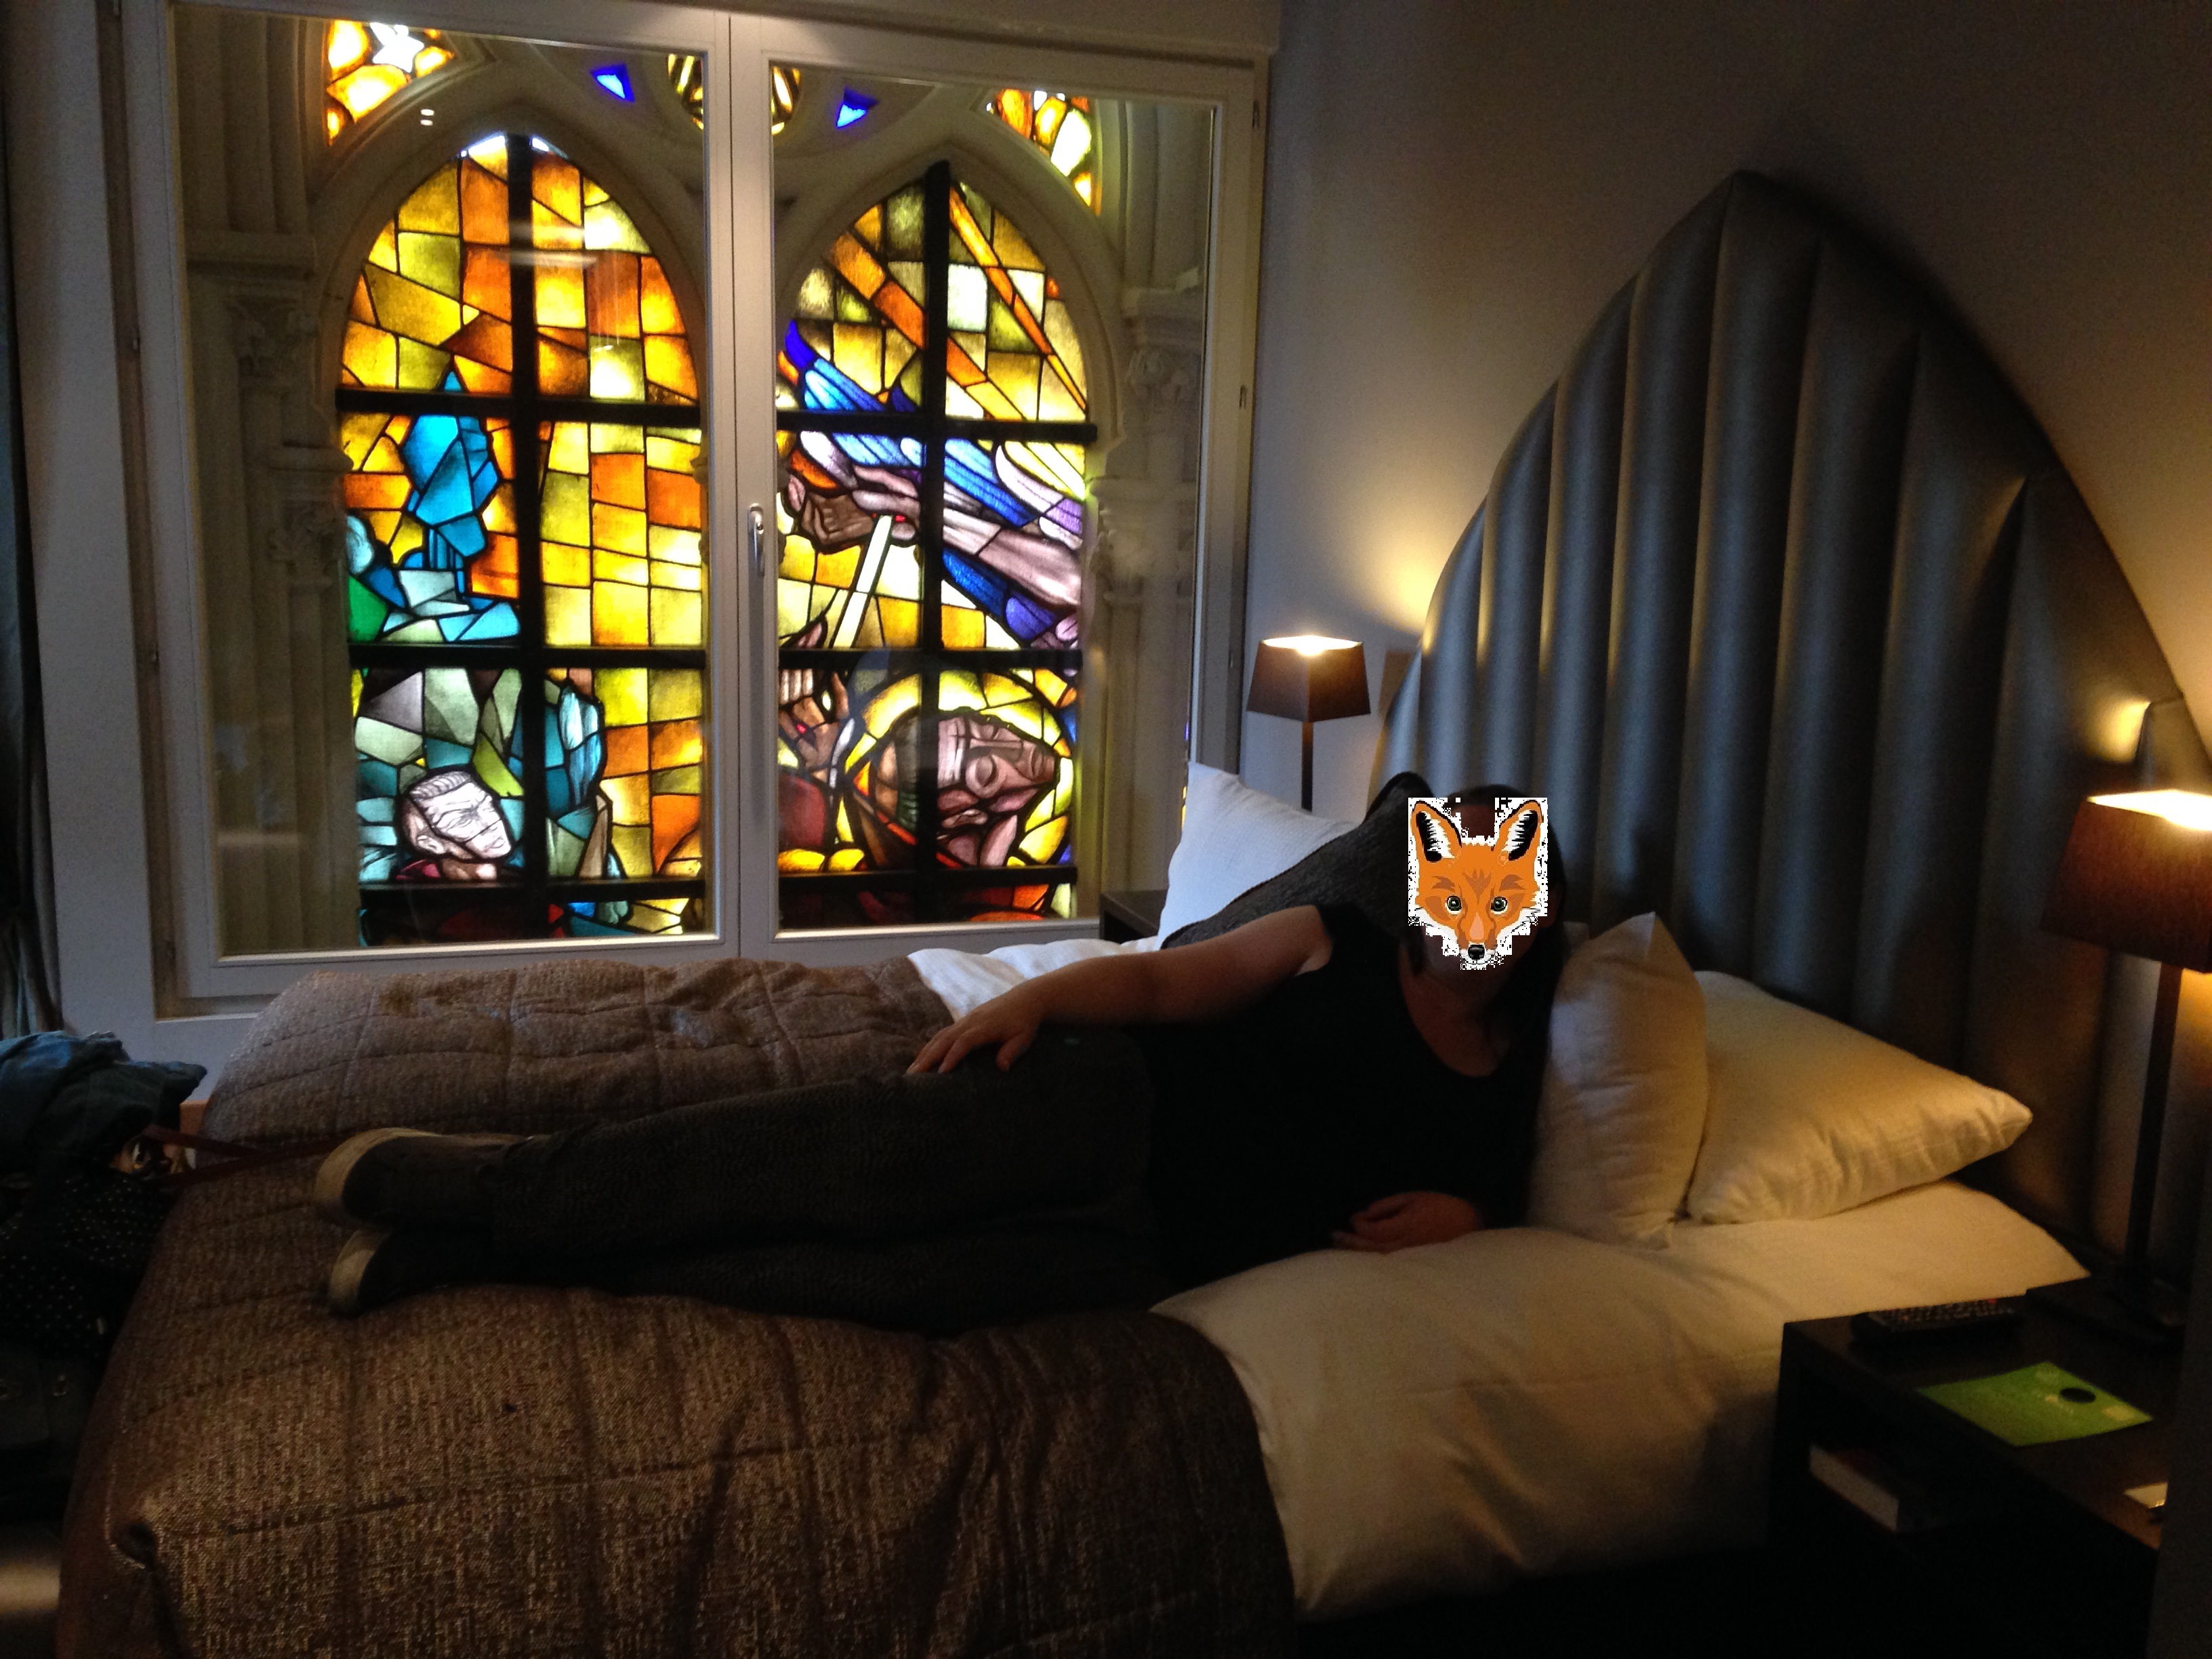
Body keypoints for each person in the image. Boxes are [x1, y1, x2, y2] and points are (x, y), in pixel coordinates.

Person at [312, 787, 1567, 1330]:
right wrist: (1034, 1003)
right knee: (804, 1162)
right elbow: (1161, 979)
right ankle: (493, 1185)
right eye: (1452, 875)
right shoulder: (1335, 936)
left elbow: (1516, 1198)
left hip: (1147, 1255)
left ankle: (477, 1255)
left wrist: (1472, 1217)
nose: (1471, 909)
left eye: (1498, 890)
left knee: (838, 1281)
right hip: (1102, 1110)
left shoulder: (1514, 1073)